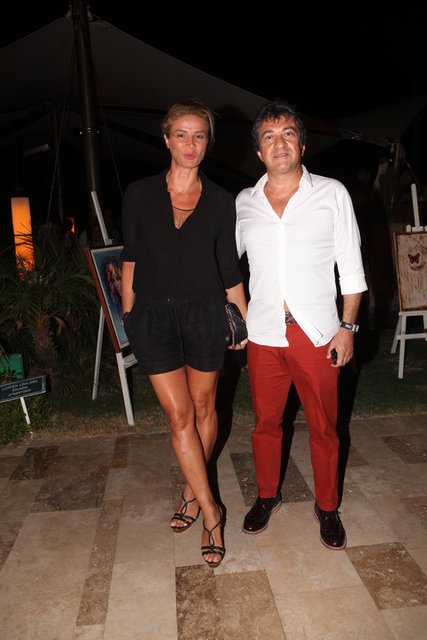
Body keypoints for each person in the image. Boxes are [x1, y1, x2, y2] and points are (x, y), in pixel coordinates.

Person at [235, 99, 367, 550]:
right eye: (269, 137)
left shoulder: (331, 194)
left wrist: (348, 328)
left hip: (318, 334)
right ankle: (266, 495)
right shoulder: (245, 203)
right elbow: (225, 264)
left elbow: (352, 270)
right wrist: (234, 314)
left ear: (303, 145)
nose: (279, 144)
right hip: (263, 334)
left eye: (288, 134)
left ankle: (327, 506)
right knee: (265, 424)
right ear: (259, 151)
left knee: (325, 427)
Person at [120, 100, 247, 568]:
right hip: (153, 319)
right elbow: (130, 259)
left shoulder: (221, 200)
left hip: (205, 316)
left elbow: (229, 269)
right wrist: (129, 317)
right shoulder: (138, 194)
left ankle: (191, 493)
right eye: (182, 134)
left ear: (207, 142)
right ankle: (212, 511)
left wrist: (242, 323)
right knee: (179, 416)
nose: (190, 144)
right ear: (166, 138)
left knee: (204, 407)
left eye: (199, 136)